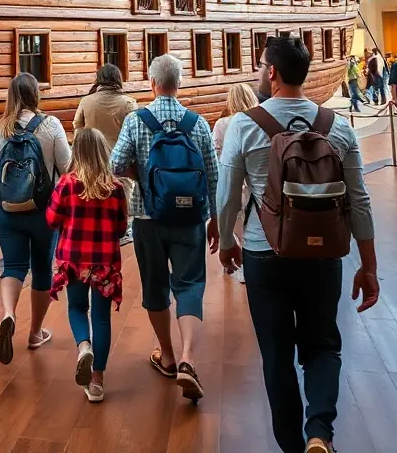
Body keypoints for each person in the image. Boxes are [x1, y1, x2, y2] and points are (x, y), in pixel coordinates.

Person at [217, 35, 379, 453]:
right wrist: (369, 264)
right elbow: (358, 199)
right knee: (322, 345)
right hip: (324, 253)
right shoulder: (336, 125)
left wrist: (228, 242)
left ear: (271, 72)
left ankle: (292, 446)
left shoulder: (244, 123)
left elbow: (227, 195)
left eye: (259, 65)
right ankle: (319, 434)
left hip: (263, 253)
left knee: (276, 354)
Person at [110, 54, 219, 402]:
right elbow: (214, 175)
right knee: (188, 285)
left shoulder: (136, 120)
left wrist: (139, 176)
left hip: (147, 219)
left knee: (155, 287)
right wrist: (216, 218)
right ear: (180, 82)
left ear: (152, 82)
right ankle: (188, 357)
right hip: (190, 221)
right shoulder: (197, 123)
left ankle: (167, 356)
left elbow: (115, 164)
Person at [0, 72, 71, 365]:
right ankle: (34, 333)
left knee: (14, 267)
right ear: (36, 94)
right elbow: (67, 167)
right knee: (42, 270)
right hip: (44, 212)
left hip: (7, 210)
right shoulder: (51, 125)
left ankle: (9, 314)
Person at [46, 127, 128, 403]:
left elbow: (51, 220)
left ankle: (83, 347)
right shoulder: (115, 188)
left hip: (74, 259)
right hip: (104, 261)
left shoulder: (67, 184)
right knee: (102, 318)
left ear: (77, 152)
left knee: (77, 307)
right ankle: (97, 382)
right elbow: (121, 228)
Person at [73, 64, 136, 226]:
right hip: (122, 169)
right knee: (122, 209)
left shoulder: (86, 102)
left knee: (94, 208)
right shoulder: (128, 104)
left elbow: (78, 130)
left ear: (99, 79)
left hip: (93, 166)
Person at [212, 82, 257, 284]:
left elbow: (216, 154)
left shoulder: (222, 124)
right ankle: (249, 265)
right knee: (249, 225)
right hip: (252, 184)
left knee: (233, 222)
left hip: (230, 181)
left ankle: (233, 258)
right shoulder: (258, 122)